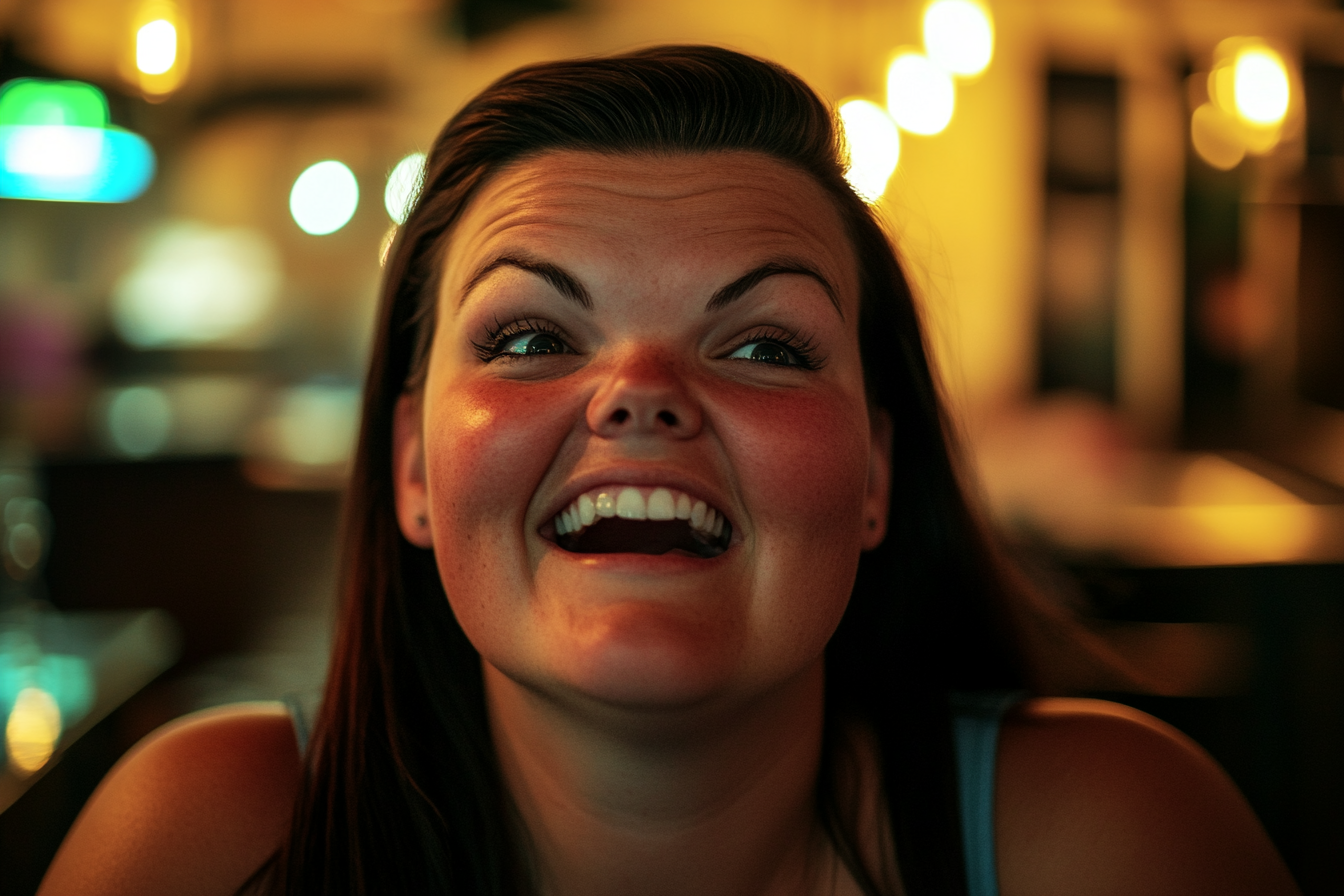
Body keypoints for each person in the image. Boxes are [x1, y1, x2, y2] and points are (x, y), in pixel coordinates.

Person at [39, 46, 1299, 896]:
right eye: (532, 336)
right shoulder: (208, 839)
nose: (640, 389)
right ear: (414, 463)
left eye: (761, 343)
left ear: (873, 473)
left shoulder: (1105, 837)